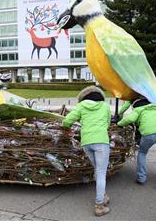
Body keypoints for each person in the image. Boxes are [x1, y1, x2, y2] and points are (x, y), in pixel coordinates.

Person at [62, 86, 111, 216]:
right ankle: (99, 206)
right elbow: (108, 124)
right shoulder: (105, 106)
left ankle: (104, 195)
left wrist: (67, 126)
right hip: (101, 141)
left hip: (87, 142)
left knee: (97, 169)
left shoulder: (81, 106)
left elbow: (67, 121)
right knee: (101, 173)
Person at [117, 98, 156, 191]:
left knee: (142, 153)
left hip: (148, 134)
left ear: (135, 105)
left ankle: (141, 178)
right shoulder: (154, 108)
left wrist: (119, 123)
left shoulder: (138, 110)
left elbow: (129, 119)